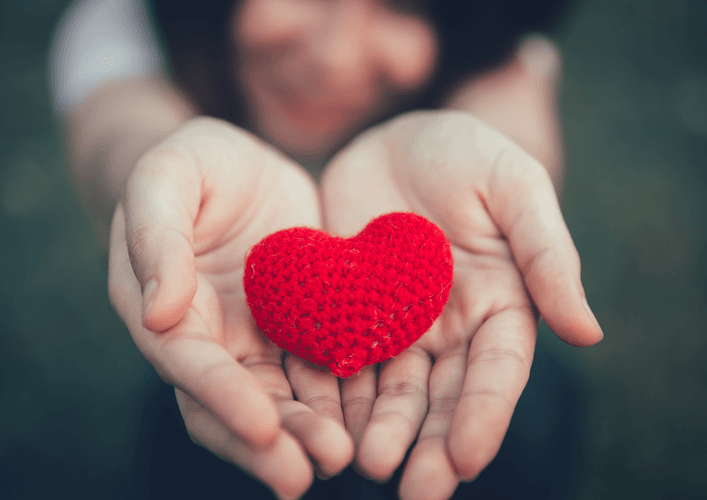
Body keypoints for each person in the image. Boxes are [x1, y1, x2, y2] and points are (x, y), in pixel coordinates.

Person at [50, 1, 603, 499]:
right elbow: (116, 128)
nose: (334, 57)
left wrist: (501, 176)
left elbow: (510, 118)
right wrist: (158, 178)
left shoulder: (493, 37)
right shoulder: (128, 18)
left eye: (403, 5)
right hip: (220, 327)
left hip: (459, 337)